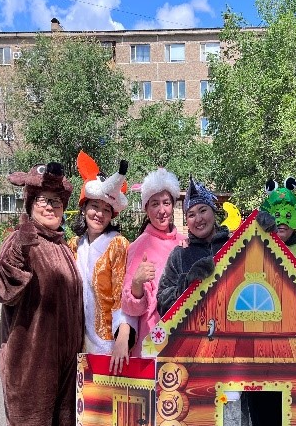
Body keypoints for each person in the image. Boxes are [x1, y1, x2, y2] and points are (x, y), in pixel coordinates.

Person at [0, 161, 83, 426]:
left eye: (56, 202)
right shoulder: (21, 240)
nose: (50, 207)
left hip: (64, 361)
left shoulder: (60, 246)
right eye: (43, 200)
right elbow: (0, 288)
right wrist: (18, 250)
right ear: (30, 204)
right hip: (30, 360)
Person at [69, 152, 134, 374]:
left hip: (108, 343)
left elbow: (121, 296)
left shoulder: (117, 244)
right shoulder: (74, 245)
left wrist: (122, 337)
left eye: (107, 209)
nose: (99, 214)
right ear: (84, 207)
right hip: (77, 339)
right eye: (95, 206)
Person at [121, 168, 186, 357]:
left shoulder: (186, 243)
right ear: (146, 209)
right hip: (153, 339)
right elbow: (130, 308)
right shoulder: (139, 246)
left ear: (173, 205)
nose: (161, 210)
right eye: (155, 204)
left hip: (185, 336)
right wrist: (136, 282)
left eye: (166, 203)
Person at [157, 177, 230, 317]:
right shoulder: (180, 255)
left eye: (203, 210)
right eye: (191, 215)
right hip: (197, 329)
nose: (198, 219)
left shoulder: (233, 244)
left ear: (213, 211)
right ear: (187, 221)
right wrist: (186, 285)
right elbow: (162, 304)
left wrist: (266, 233)